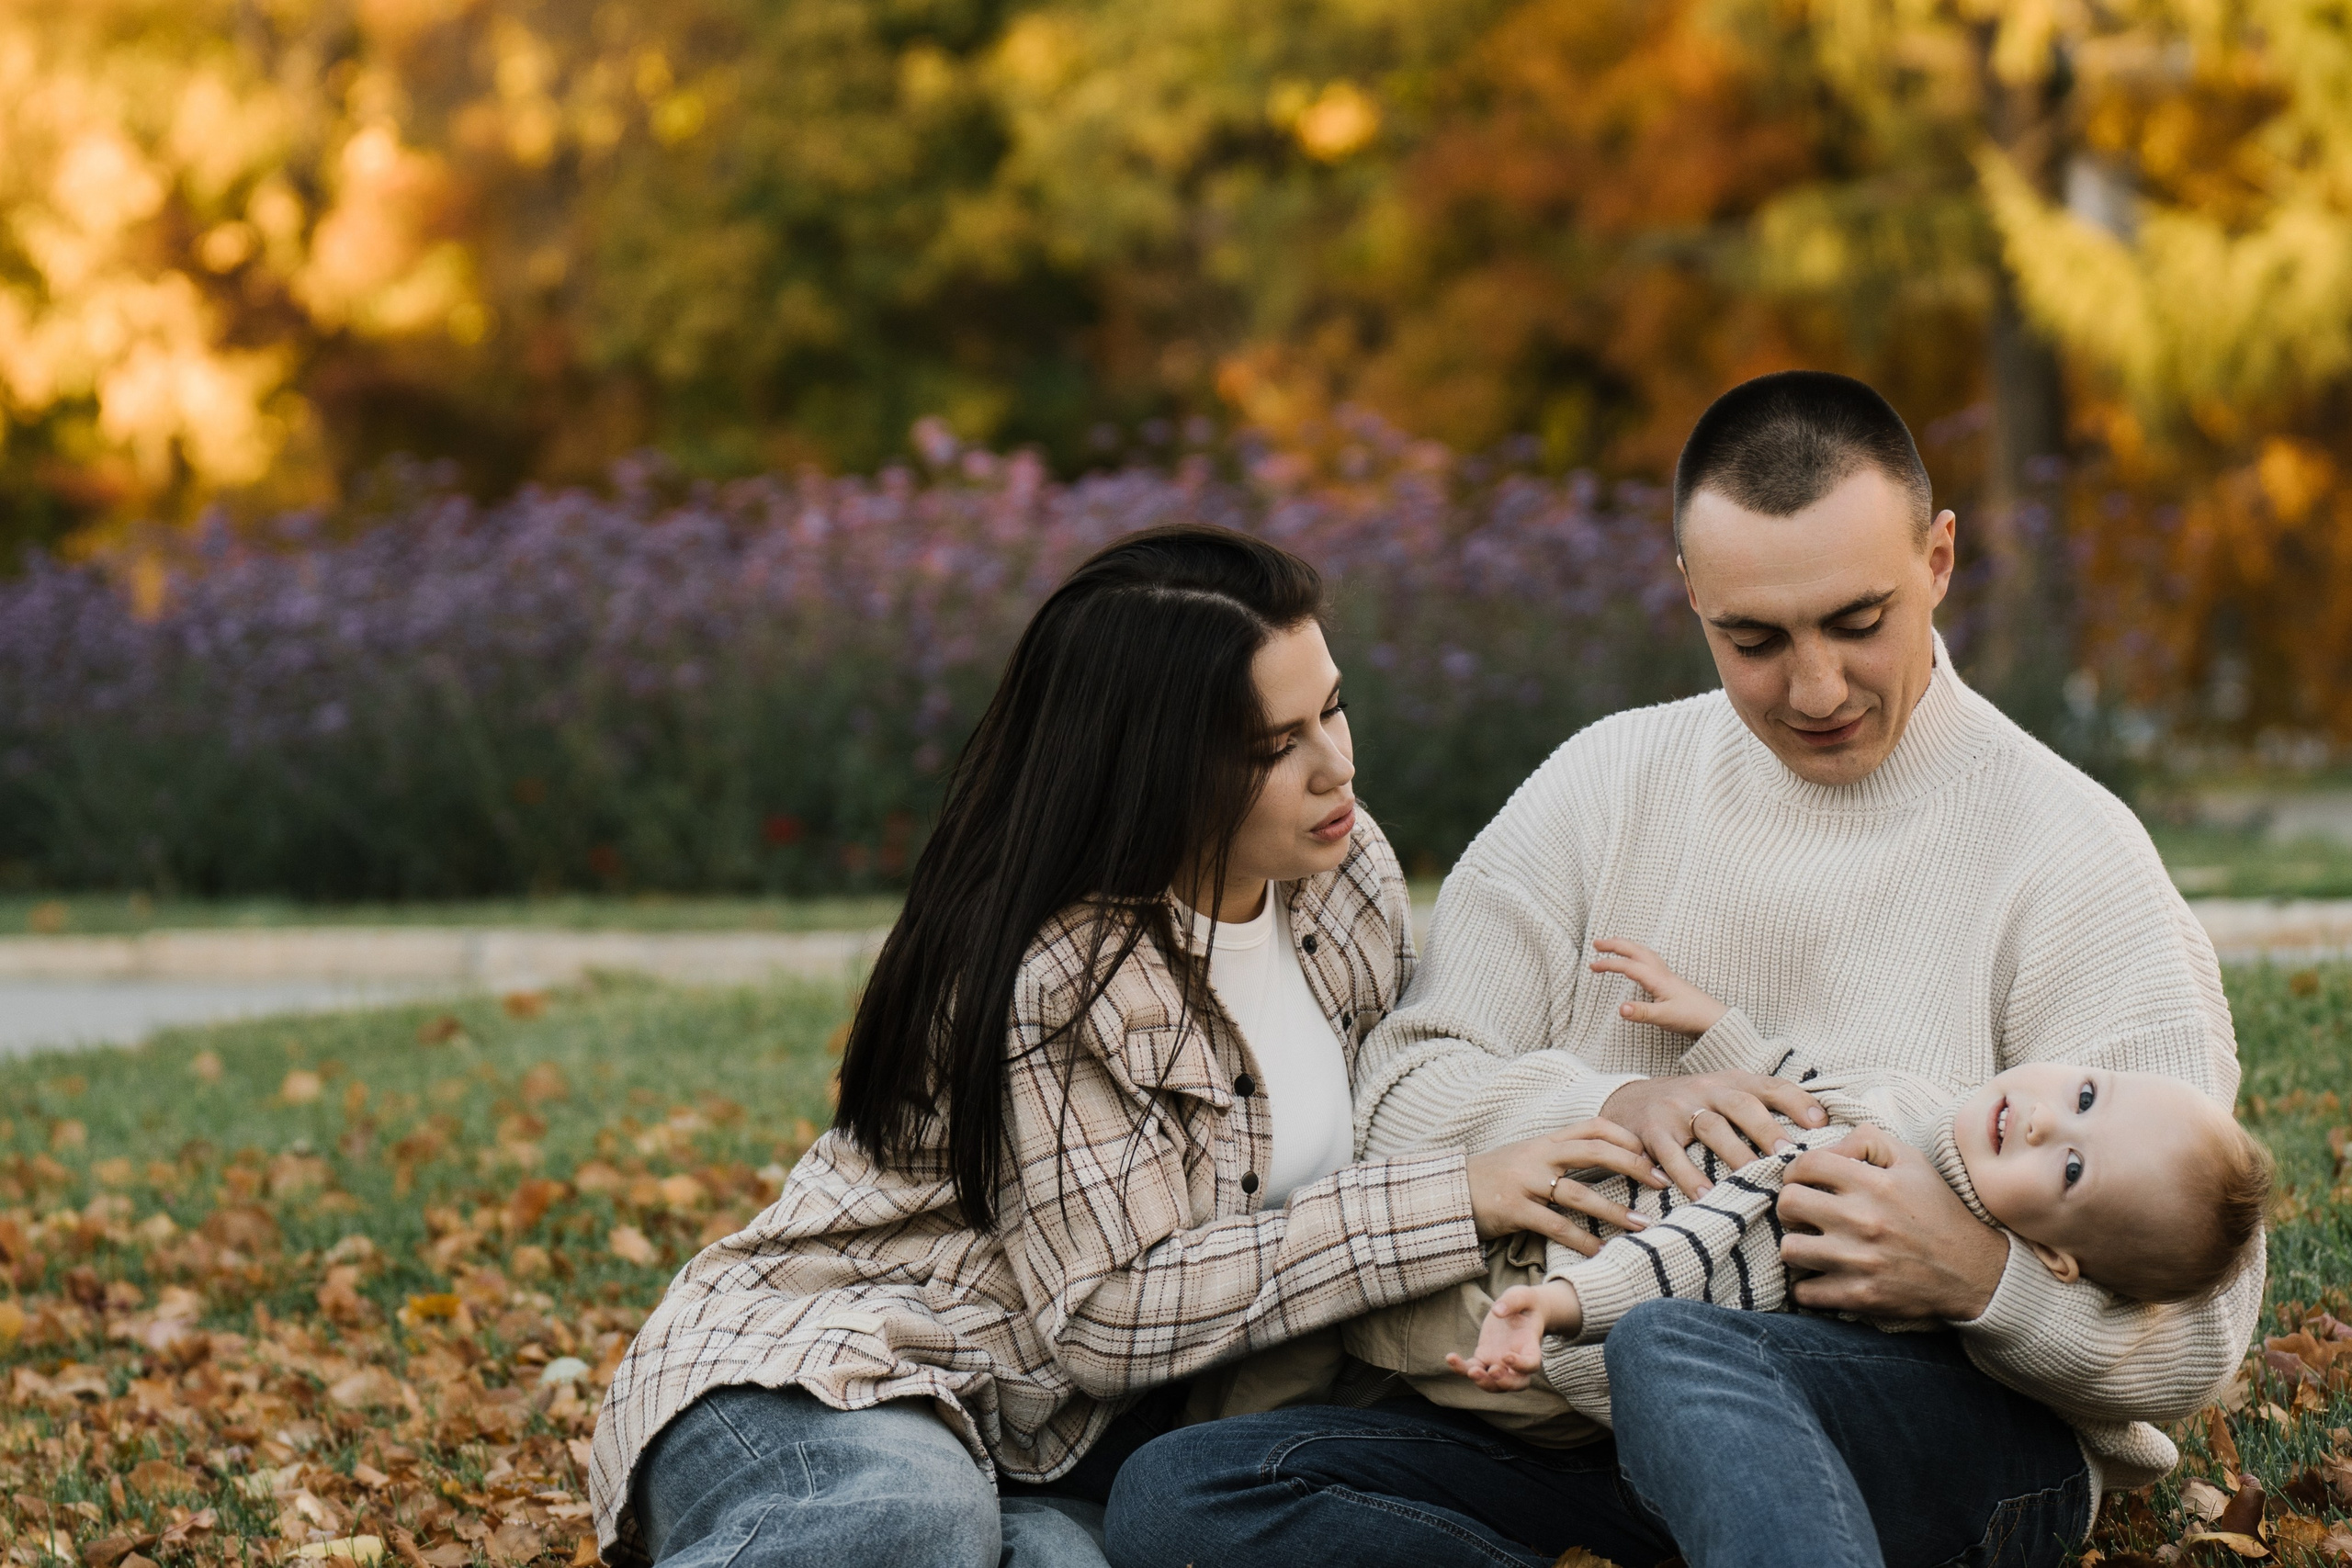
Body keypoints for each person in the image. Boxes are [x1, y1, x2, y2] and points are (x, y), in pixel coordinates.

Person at [1104, 372, 2262, 1568]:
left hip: (1919, 1437)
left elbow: (2204, 1323)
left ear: (1941, 559)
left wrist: (1980, 1277)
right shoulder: (1600, 786)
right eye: (1754, 638)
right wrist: (1601, 1105)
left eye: (1858, 620)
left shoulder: (2073, 855)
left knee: (1673, 1341)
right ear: (1693, 595)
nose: (1814, 687)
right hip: (1577, 1435)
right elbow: (1398, 1094)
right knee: (1187, 1488)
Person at [585, 524, 1662, 1568]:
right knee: (909, 1522)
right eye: (1273, 746)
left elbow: (1406, 1089)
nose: (1335, 765)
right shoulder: (1059, 972)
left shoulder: (1342, 873)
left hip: (1057, 1451)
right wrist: (1454, 1196)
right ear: (1154, 766)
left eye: (1331, 709)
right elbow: (1108, 1309)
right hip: (844, 1371)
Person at [1446, 942, 2272, 1419]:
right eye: (2086, 1093)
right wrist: (1718, 1027)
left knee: (1381, 1343)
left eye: (2071, 1167)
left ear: (2055, 1259)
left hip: (1568, 1287)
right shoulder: (1924, 1122)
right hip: (1583, 1225)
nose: (2046, 1119)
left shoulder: (1860, 1222)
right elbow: (1811, 1098)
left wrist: (1561, 1306)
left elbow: (1694, 1258)